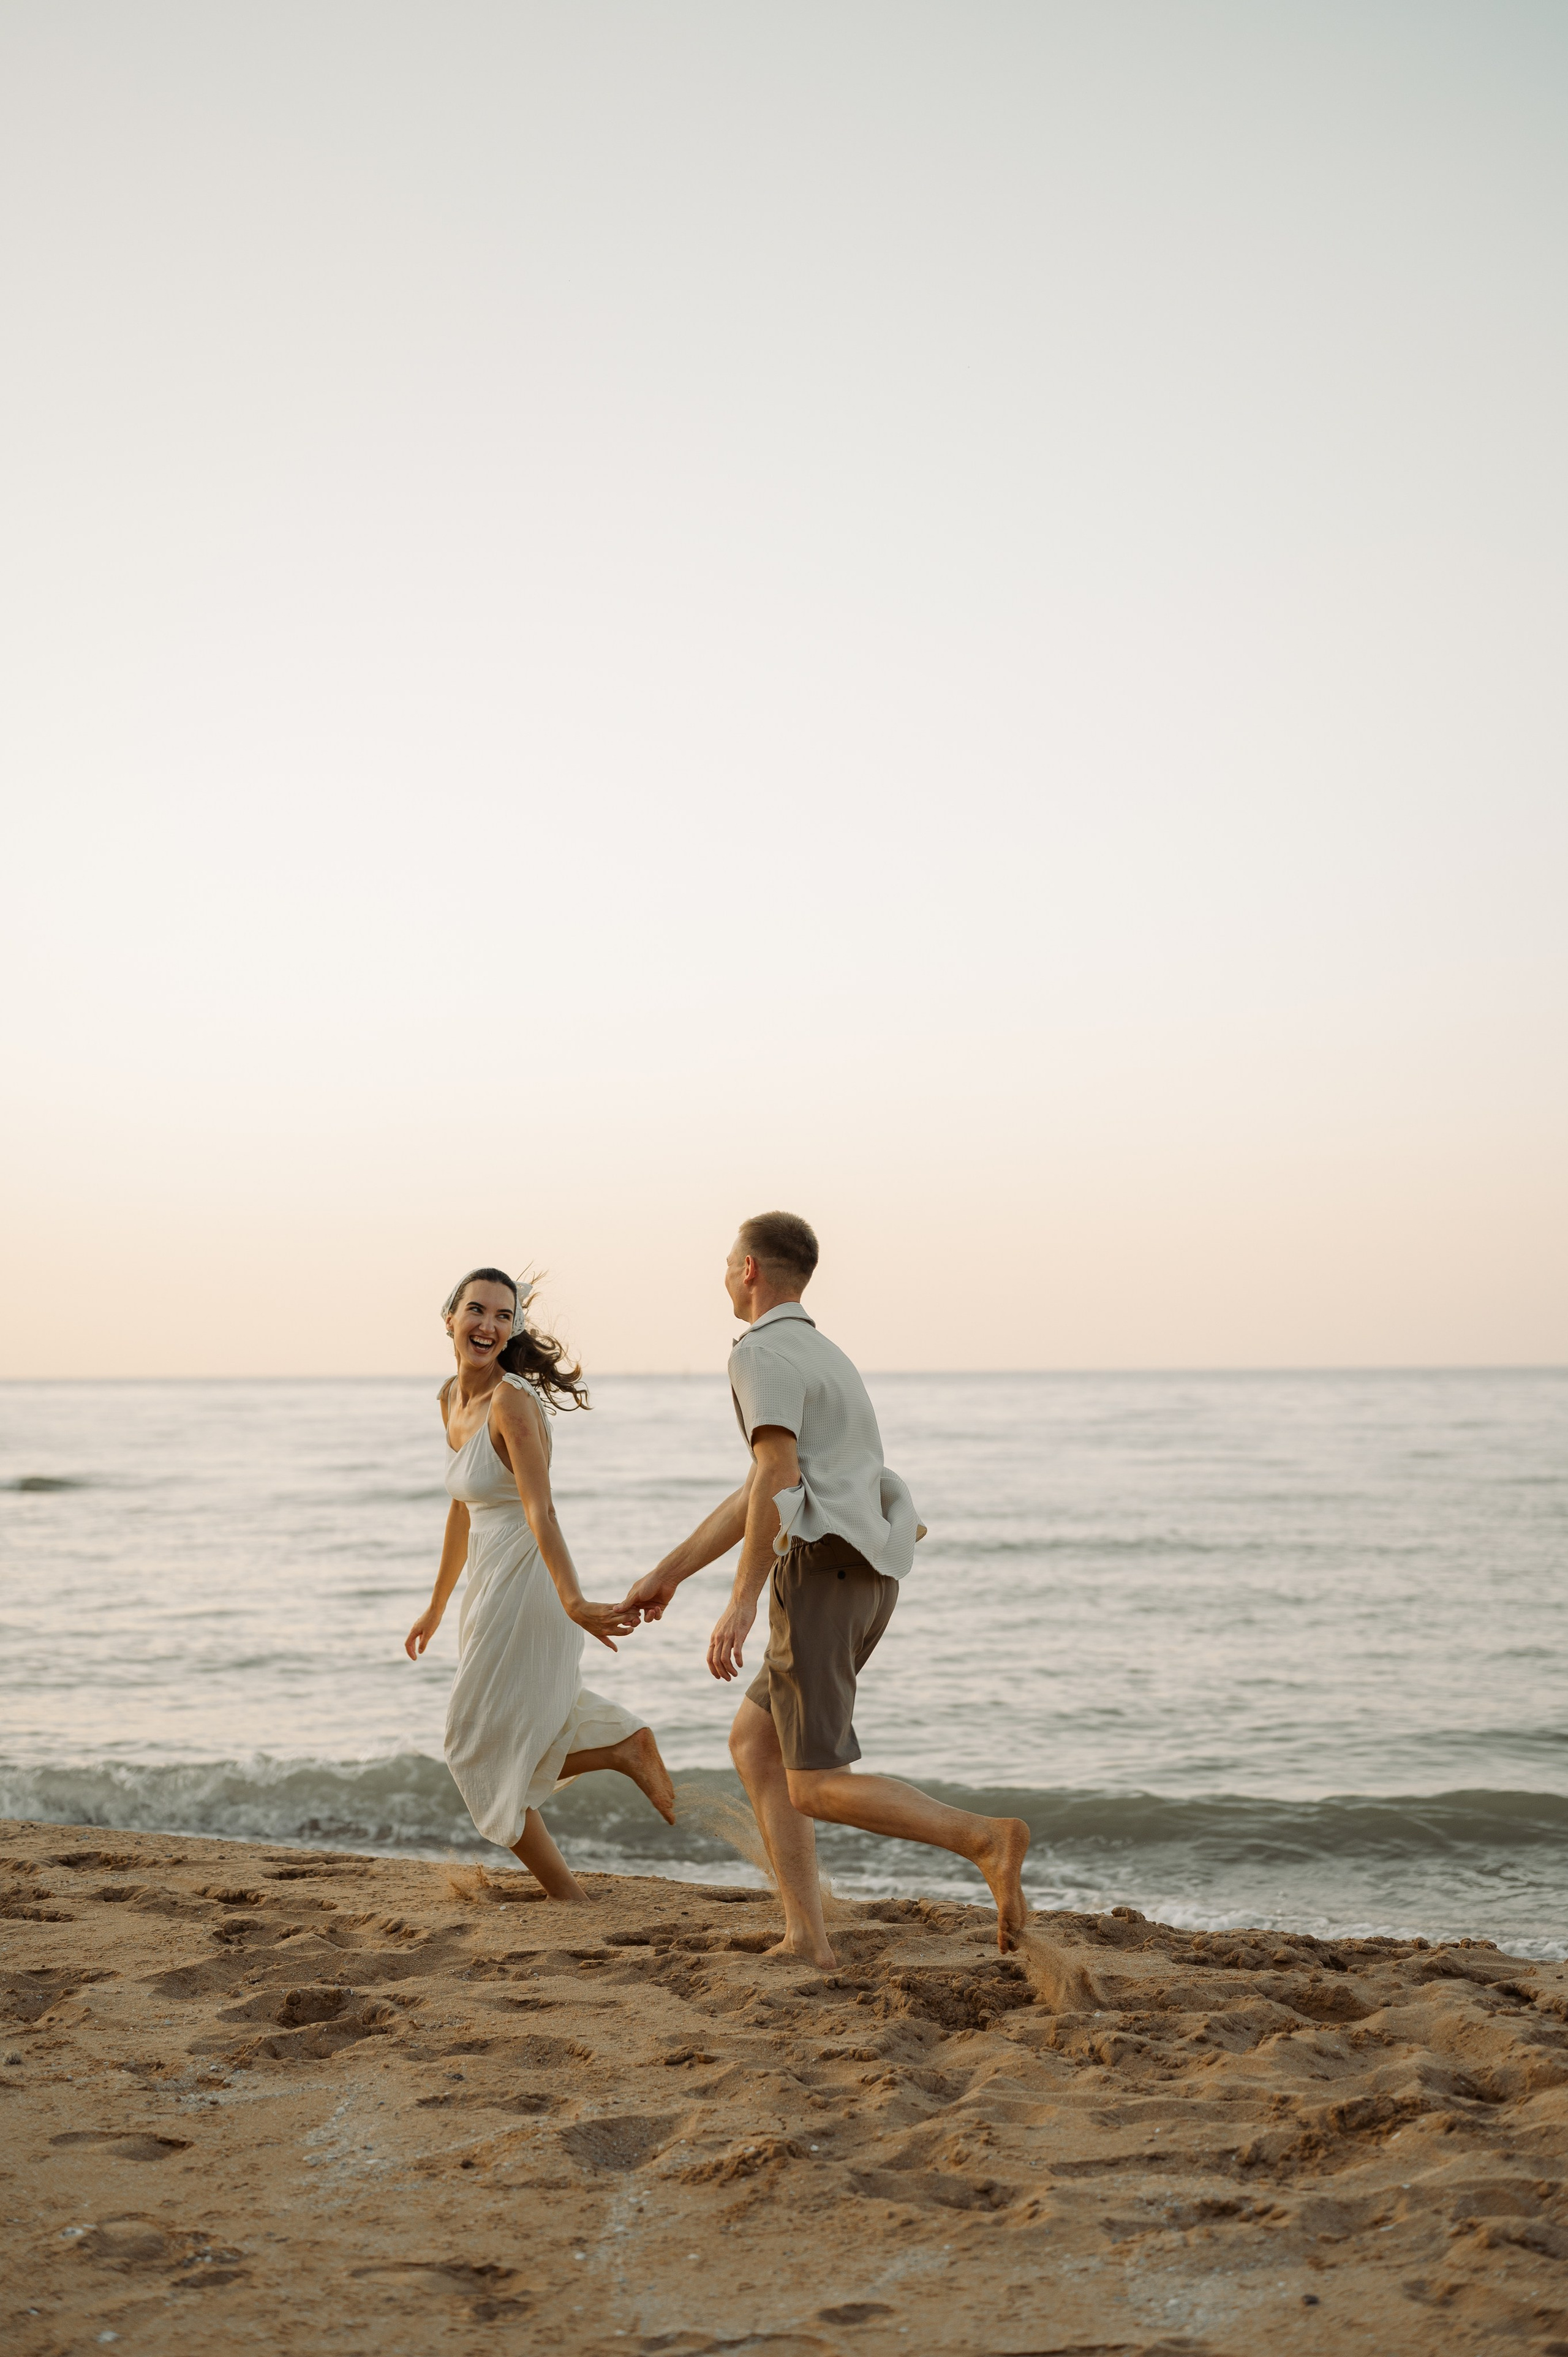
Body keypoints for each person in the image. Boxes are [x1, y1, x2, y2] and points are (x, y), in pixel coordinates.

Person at [621, 1213, 1029, 1966]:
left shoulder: (760, 1351)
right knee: (756, 1744)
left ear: (749, 1268)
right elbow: (763, 1483)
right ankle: (807, 1935)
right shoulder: (825, 1353)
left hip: (819, 1575)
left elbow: (777, 1477)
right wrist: (668, 1572)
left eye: (727, 1259)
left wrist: (742, 1601)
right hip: (866, 1576)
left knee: (812, 1785)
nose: (723, 1271)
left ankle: (984, 1839)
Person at [406, 1265, 675, 1900]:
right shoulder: (449, 1398)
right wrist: (437, 1605)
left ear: (513, 1329)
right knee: (504, 1735)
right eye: (477, 1310)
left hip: (527, 1582)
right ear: (449, 1318)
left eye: (503, 1315)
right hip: (488, 1580)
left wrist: (573, 1599)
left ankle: (617, 1759)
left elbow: (541, 1511)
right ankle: (618, 1764)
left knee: (472, 1745)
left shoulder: (512, 1403)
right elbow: (462, 1508)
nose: (488, 1325)